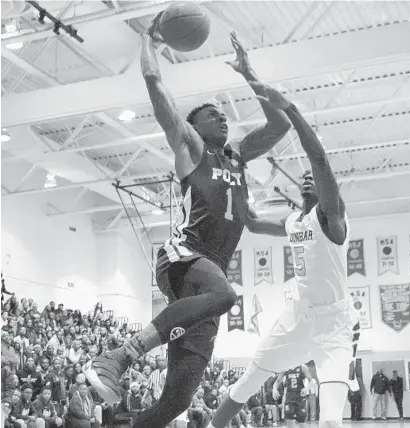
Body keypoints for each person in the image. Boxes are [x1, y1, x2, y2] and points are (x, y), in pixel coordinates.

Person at [83, 16, 291, 428]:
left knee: (176, 401)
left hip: (208, 281)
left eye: (223, 116)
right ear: (194, 127)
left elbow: (281, 125)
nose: (223, 119)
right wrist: (149, 41)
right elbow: (155, 83)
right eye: (213, 115)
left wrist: (251, 74)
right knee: (227, 294)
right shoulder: (191, 146)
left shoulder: (237, 158)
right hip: (184, 258)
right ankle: (120, 355)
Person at [206, 79, 360, 428]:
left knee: (332, 421)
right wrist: (234, 175)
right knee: (246, 383)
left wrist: (289, 109)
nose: (309, 180)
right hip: (297, 317)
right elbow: (254, 223)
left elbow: (318, 159)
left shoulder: (333, 220)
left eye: (315, 180)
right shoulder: (294, 221)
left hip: (335, 324)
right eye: (303, 178)